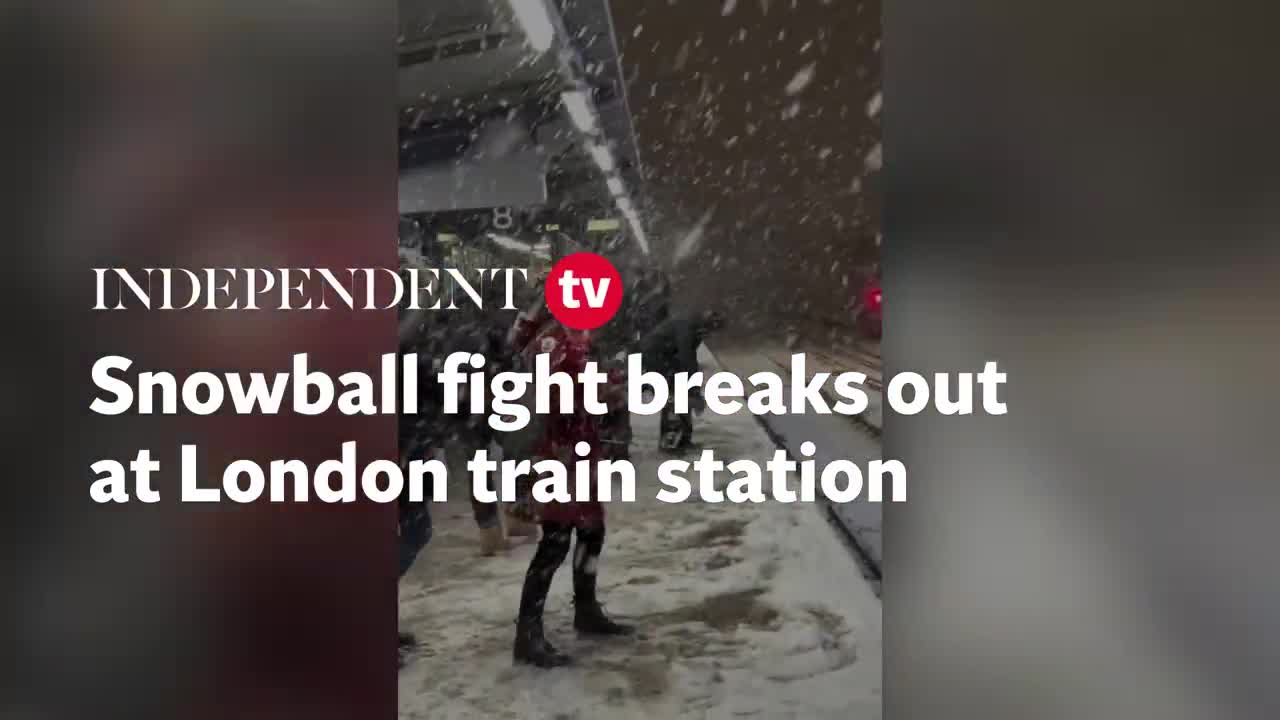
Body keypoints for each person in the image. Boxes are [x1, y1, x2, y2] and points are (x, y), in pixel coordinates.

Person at [511, 323, 634, 668]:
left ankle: (586, 609)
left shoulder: (581, 341)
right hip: (559, 453)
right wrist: (599, 393)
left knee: (592, 531)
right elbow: (554, 395)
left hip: (582, 451)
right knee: (555, 540)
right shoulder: (552, 342)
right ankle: (528, 634)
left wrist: (608, 388)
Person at [638, 309, 727, 452]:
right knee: (675, 396)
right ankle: (671, 442)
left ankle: (682, 439)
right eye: (709, 330)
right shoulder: (687, 326)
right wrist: (694, 387)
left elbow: (689, 357)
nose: (709, 335)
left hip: (666, 356)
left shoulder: (694, 326)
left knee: (681, 396)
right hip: (656, 357)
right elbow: (686, 356)